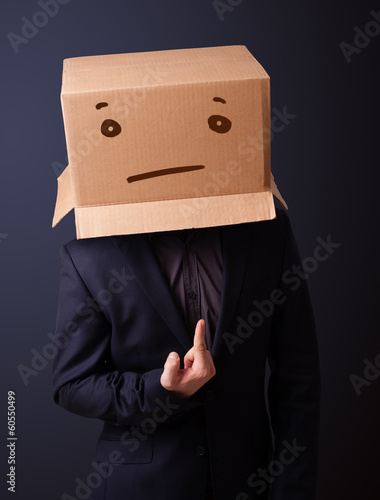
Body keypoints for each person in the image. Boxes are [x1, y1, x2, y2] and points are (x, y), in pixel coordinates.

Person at [52, 208, 320, 500]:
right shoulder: (92, 249)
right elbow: (73, 384)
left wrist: (293, 490)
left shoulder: (265, 226)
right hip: (142, 486)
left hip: (249, 481)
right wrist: (160, 390)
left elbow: (298, 374)